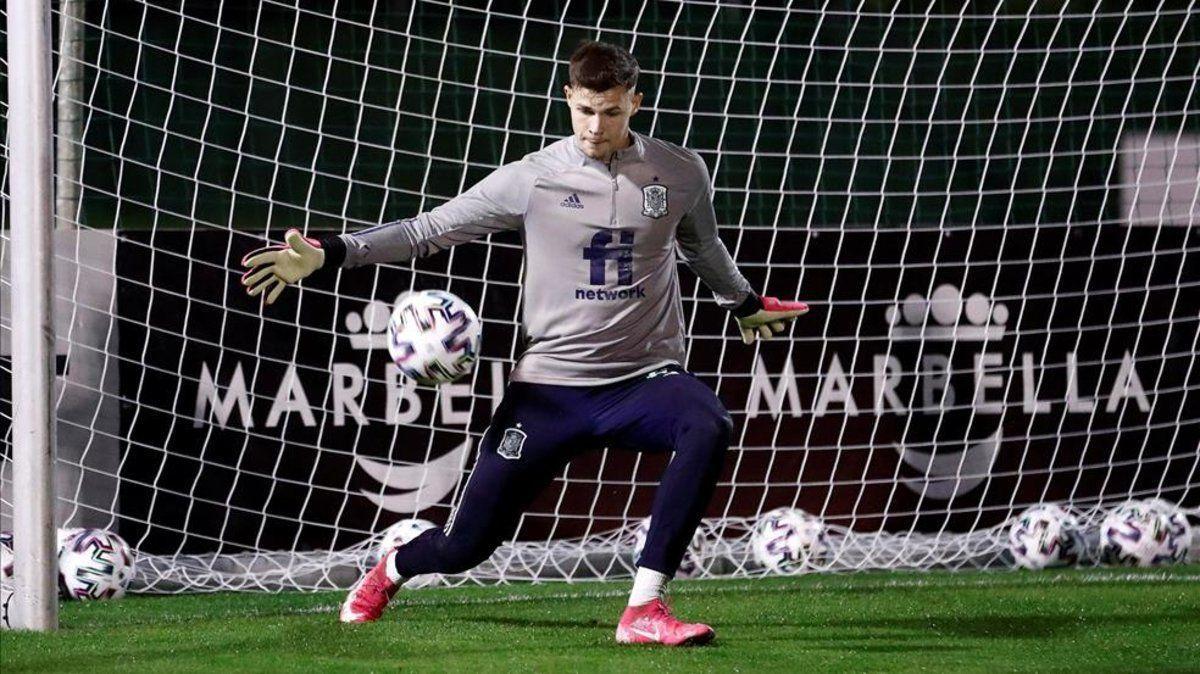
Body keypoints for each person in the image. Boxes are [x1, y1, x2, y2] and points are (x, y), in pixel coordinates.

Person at [240, 40, 807, 646]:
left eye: (612, 112)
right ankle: (395, 567)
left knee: (706, 422)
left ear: (634, 103)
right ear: (568, 99)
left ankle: (645, 606)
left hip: (645, 378)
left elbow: (701, 246)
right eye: (586, 110)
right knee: (466, 546)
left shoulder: (679, 171)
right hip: (550, 393)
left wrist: (743, 302)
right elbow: (427, 230)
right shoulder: (531, 180)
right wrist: (330, 252)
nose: (596, 126)